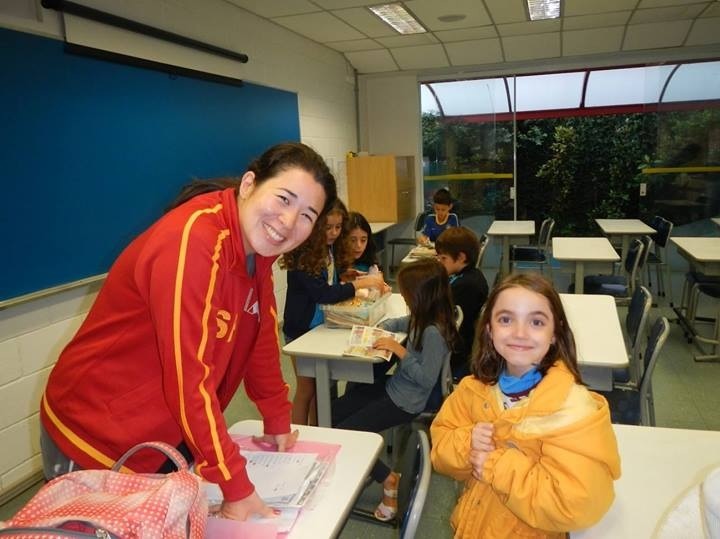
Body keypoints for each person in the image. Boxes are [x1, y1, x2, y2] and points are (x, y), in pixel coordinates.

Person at [39, 142, 338, 522]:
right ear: (249, 184)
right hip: (95, 435)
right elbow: (189, 379)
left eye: (307, 215)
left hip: (165, 432)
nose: (289, 221)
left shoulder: (255, 250)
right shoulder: (193, 239)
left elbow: (260, 334)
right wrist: (234, 483)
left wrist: (277, 417)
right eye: (283, 198)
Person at [430, 273, 621, 538]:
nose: (520, 333)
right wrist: (468, 442)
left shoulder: (572, 410)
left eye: (536, 322)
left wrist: (494, 465)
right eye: (506, 319)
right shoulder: (473, 390)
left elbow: (576, 504)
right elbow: (440, 454)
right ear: (489, 329)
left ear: (555, 333)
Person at [332, 258, 460, 522]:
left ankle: (388, 478)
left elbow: (426, 379)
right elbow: (401, 322)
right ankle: (361, 463)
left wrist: (399, 350)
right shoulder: (424, 317)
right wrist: (379, 330)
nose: (406, 300)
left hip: (406, 401)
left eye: (408, 295)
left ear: (421, 296)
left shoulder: (434, 332)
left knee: (347, 431)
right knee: (332, 413)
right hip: (396, 388)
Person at [281, 200, 386, 426]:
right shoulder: (304, 254)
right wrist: (359, 284)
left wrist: (347, 276)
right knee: (307, 388)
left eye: (338, 227)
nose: (334, 233)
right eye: (328, 227)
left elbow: (327, 281)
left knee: (319, 388)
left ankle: (317, 429)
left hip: (319, 327)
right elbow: (322, 293)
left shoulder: (327, 249)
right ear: (315, 225)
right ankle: (299, 432)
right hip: (300, 331)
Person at [435, 226, 489, 381]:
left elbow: (442, 319)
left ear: (461, 257)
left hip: (455, 352)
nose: (439, 262)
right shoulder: (468, 276)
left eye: (443, 258)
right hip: (458, 345)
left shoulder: (466, 286)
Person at [341, 211, 380, 281]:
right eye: (353, 240)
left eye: (363, 240)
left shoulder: (370, 266)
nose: (359, 245)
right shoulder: (334, 265)